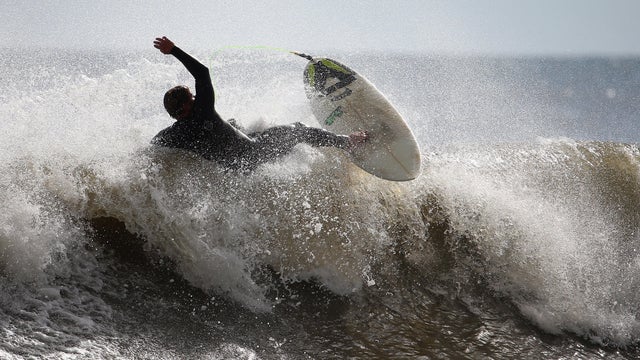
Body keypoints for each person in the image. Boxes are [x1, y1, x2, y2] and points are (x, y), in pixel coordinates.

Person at [151, 36, 367, 172]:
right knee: (299, 130)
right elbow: (202, 73)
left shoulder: (173, 134)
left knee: (234, 123)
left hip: (234, 168)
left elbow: (152, 146)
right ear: (186, 107)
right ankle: (348, 142)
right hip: (254, 153)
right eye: (192, 97)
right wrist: (173, 50)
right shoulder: (203, 113)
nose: (197, 98)